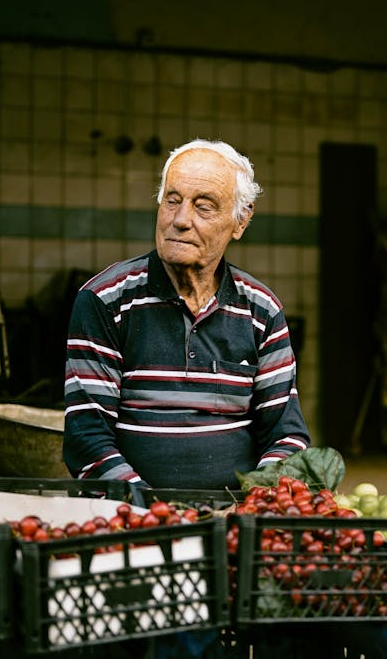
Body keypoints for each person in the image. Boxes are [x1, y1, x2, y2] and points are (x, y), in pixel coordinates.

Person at [62, 138, 310, 490]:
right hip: (135, 520)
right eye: (172, 201)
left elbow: (287, 438)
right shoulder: (105, 300)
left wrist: (256, 504)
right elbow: (87, 439)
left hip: (234, 517)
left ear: (240, 221)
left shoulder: (261, 309)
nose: (180, 220)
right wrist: (155, 515)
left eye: (203, 206)